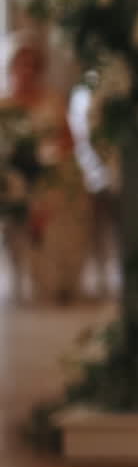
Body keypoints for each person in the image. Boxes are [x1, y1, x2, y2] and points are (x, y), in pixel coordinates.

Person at [0, 32, 89, 303]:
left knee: (63, 191)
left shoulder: (53, 100)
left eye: (31, 64)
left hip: (55, 171)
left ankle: (62, 277)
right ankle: (36, 278)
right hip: (15, 175)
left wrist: (49, 158)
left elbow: (70, 141)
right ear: (11, 67)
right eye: (21, 64)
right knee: (25, 193)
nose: (26, 70)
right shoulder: (3, 105)